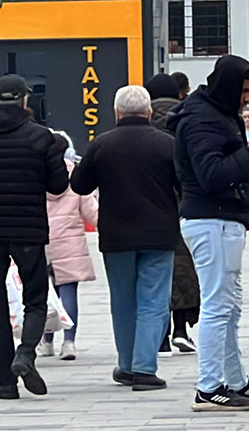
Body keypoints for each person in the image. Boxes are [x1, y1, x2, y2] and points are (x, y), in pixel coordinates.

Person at [167, 55, 249, 412]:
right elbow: (211, 174)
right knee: (217, 304)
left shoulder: (215, 111)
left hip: (223, 217)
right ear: (228, 87)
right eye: (244, 91)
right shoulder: (201, 118)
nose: (247, 99)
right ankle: (209, 386)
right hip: (211, 217)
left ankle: (234, 379)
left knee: (229, 304)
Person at [0, 74, 68, 400]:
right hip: (28, 228)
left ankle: (6, 383)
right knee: (35, 296)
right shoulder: (40, 136)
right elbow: (58, 186)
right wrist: (55, 153)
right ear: (24, 100)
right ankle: (27, 352)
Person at [71, 85, 179, 392]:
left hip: (116, 234)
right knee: (154, 300)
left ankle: (128, 365)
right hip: (159, 232)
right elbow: (184, 183)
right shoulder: (167, 144)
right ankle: (145, 367)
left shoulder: (101, 144)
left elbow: (79, 185)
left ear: (117, 113)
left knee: (123, 300)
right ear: (147, 113)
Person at [146, 73, 200, 355]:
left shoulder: (140, 122)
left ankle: (160, 336)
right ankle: (181, 328)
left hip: (146, 205)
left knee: (152, 271)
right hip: (183, 204)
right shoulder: (185, 122)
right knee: (183, 266)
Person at [39, 131, 99, 362]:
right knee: (68, 291)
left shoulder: (37, 174)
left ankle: (46, 342)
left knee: (44, 293)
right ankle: (69, 342)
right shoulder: (76, 176)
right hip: (70, 242)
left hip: (42, 240)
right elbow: (91, 212)